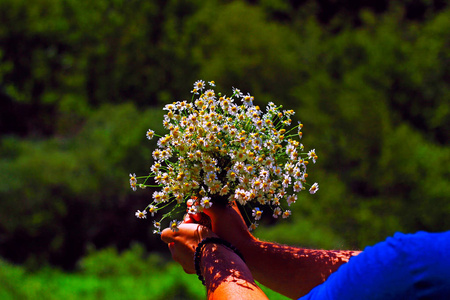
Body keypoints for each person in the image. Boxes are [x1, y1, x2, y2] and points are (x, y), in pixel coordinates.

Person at [161, 203, 450, 299]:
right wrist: (247, 250)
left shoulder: (415, 264)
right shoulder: (420, 263)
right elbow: (371, 276)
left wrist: (212, 257)